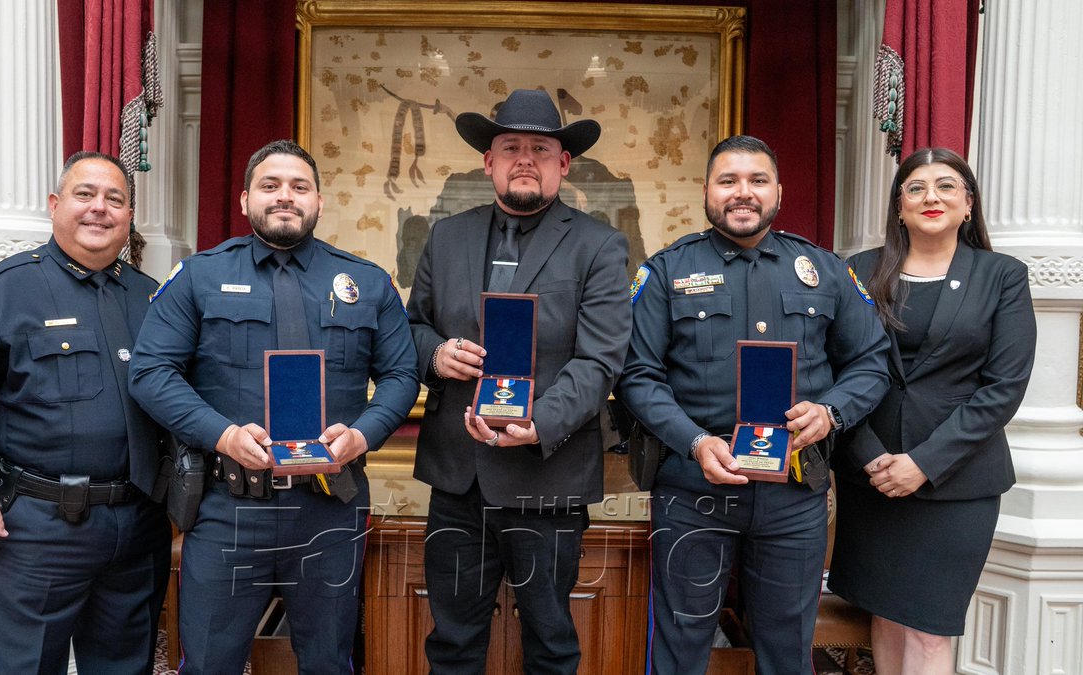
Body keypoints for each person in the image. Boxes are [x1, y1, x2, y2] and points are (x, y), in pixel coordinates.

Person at [129, 139, 419, 674]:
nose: (285, 196)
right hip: (230, 507)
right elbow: (149, 372)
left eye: (298, 187)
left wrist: (363, 434)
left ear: (319, 202)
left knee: (329, 662)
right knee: (209, 663)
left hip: (330, 507)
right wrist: (221, 434)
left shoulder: (367, 282)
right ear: (244, 200)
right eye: (270, 185)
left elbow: (402, 375)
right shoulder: (199, 276)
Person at [617, 135, 891, 674]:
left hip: (794, 491)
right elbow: (636, 376)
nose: (743, 192)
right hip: (694, 489)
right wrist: (694, 442)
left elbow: (871, 362)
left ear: (778, 192)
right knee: (680, 645)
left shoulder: (824, 269)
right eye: (729, 181)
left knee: (788, 651)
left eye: (757, 180)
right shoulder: (666, 272)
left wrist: (830, 412)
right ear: (707, 192)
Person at [407, 88, 631, 674]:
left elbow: (601, 359)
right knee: (452, 644)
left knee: (550, 645)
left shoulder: (600, 245)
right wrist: (436, 354)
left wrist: (540, 423)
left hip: (548, 480)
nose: (524, 158)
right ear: (489, 162)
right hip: (457, 481)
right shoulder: (446, 237)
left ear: (564, 163)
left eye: (540, 147)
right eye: (510, 147)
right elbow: (410, 328)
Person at [0, 152, 171, 673]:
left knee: (126, 666)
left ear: (129, 218)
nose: (99, 209)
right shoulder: (3, 292)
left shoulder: (153, 301)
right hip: (37, 528)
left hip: (136, 523)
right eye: (85, 195)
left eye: (114, 199)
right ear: (56, 206)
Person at [828, 148, 1035, 674]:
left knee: (927, 630)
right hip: (869, 480)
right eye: (915, 187)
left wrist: (923, 463)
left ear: (968, 204)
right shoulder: (858, 271)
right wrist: (872, 458)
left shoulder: (1002, 275)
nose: (931, 197)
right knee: (886, 621)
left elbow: (1003, 387)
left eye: (946, 186)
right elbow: (834, 372)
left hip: (956, 485)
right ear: (899, 207)